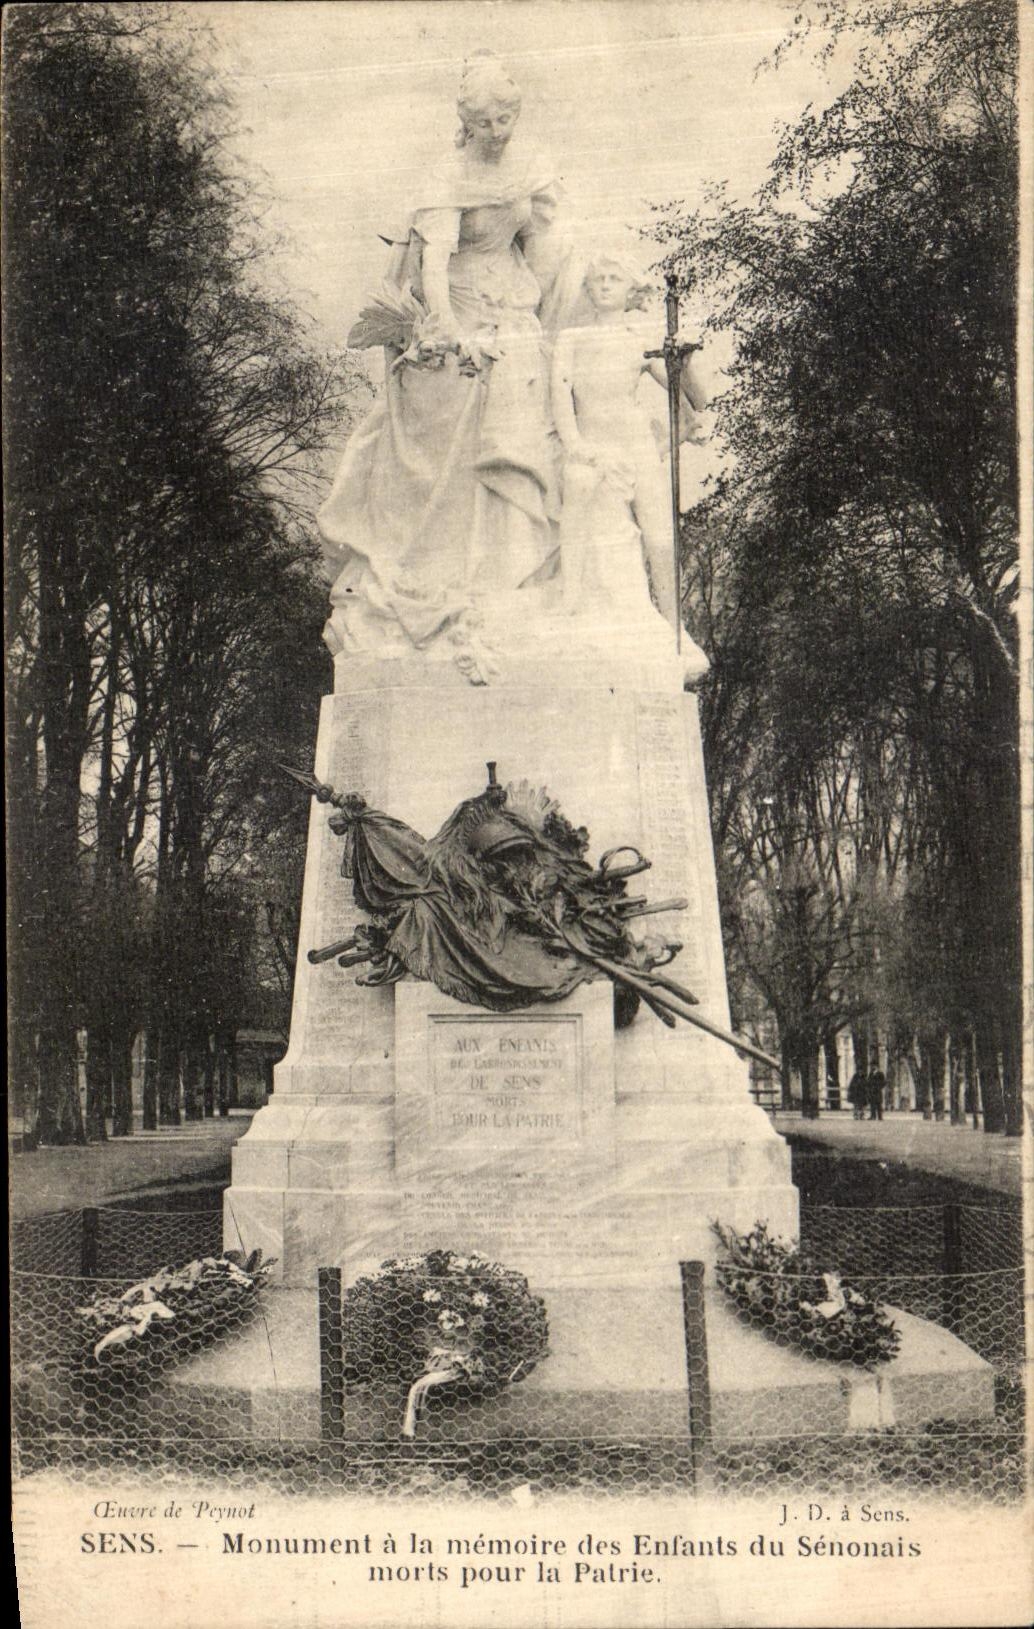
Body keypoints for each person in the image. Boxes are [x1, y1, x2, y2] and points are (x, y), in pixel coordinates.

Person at [318, 53, 577, 674]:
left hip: (514, 313)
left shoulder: (531, 169)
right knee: (466, 414)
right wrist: (452, 332)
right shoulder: (444, 178)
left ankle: (513, 582)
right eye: (487, 121)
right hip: (455, 314)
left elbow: (544, 249)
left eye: (507, 117)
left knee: (531, 413)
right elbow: (431, 270)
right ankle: (446, 582)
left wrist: (539, 309)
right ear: (468, 121)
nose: (499, 131)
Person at [550, 251, 708, 637]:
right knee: (577, 491)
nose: (604, 285)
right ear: (587, 287)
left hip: (635, 443)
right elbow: (560, 397)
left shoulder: (639, 341)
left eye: (614, 279)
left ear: (630, 289)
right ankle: (570, 600)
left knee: (659, 532)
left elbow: (693, 400)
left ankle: (675, 626)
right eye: (598, 278)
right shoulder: (571, 339)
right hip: (590, 442)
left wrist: (685, 366)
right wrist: (576, 445)